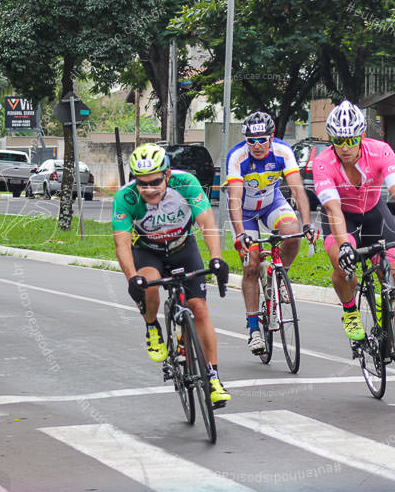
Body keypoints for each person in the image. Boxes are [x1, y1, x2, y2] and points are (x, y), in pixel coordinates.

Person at [313, 100, 395, 369]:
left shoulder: (381, 152)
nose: (345, 147)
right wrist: (345, 244)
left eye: (351, 140)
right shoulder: (323, 163)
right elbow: (332, 208)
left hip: (373, 214)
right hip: (340, 217)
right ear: (331, 139)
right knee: (342, 262)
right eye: (338, 140)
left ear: (362, 136)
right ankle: (349, 310)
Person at [113, 143, 232, 408]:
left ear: (167, 174)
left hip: (182, 247)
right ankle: (151, 326)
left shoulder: (186, 183)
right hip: (149, 251)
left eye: (155, 182)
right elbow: (122, 243)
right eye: (141, 183)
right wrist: (132, 278)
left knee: (199, 308)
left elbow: (207, 223)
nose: (149, 189)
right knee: (149, 286)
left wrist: (216, 259)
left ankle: (213, 378)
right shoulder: (126, 198)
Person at [224, 111, 318, 355]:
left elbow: (298, 191)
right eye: (251, 140)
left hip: (271, 204)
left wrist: (307, 224)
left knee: (292, 230)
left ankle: (280, 275)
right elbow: (234, 199)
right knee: (252, 265)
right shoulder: (237, 156)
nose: (256, 146)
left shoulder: (283, 152)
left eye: (262, 139)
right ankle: (254, 329)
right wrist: (240, 234)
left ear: (272, 136)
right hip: (244, 212)